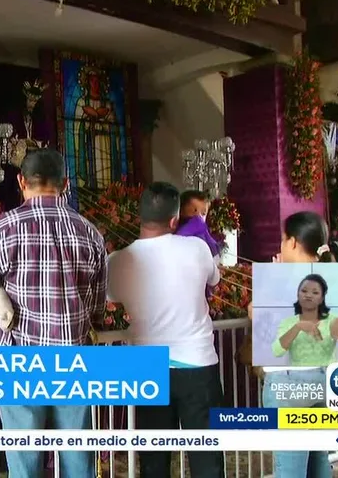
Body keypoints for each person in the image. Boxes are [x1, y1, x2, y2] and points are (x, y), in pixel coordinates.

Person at [0, 149, 106, 478]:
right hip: (75, 362)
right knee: (78, 460)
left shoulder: (1, 229)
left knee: (25, 462)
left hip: (19, 361)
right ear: (66, 184)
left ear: (21, 182)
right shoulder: (90, 233)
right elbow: (97, 309)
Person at [106, 182, 225, 478]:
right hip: (197, 364)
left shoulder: (118, 261)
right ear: (174, 220)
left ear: (140, 216)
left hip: (149, 368)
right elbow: (214, 279)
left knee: (154, 462)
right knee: (207, 459)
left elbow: (109, 297)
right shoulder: (197, 248)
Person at [260, 211, 337, 478]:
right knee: (319, 460)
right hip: (325, 378)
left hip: (289, 381)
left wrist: (273, 277)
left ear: (292, 242)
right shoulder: (332, 275)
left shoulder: (285, 279)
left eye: (283, 239)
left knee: (291, 468)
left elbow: (259, 317)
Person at [271, 273, 338, 366]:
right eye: (304, 291)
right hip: (298, 374)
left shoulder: (333, 320)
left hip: (327, 373)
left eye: (315, 293)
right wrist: (297, 327)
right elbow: (277, 351)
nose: (308, 295)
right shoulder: (288, 323)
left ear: (322, 298)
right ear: (298, 295)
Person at [175, 190, 220, 258]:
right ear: (180, 212)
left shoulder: (204, 235)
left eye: (203, 213)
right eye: (194, 211)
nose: (198, 218)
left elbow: (215, 255)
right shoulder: (173, 237)